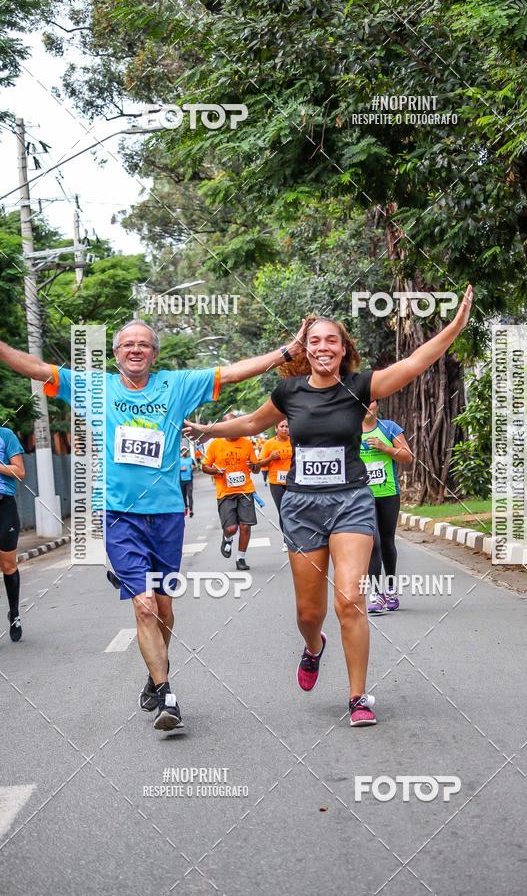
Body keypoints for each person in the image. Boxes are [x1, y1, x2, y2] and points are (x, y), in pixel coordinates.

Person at [185, 285, 474, 727]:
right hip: (301, 505)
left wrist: (453, 327)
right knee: (308, 612)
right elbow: (249, 422)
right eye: (315, 340)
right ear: (305, 348)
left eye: (332, 340)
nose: (323, 347)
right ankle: (314, 646)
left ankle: (358, 697)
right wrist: (207, 428)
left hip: (352, 501)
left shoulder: (361, 386)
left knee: (350, 599)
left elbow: (414, 364)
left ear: (344, 350)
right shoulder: (289, 392)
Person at [0, 319, 305, 731]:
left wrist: (287, 351)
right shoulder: (95, 388)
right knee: (143, 604)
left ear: (154, 354)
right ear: (115, 353)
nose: (136, 350)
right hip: (119, 514)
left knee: (163, 607)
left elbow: (233, 371)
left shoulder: (176, 385)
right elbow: (36, 368)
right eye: (128, 344)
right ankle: (166, 695)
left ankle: (154, 670)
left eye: (144, 345)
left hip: (166, 515)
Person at [360, 401, 413, 613]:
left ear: (377, 405)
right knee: (373, 541)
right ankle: (376, 593)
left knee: (388, 542)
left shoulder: (389, 427)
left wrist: (385, 447)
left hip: (388, 493)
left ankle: (390, 589)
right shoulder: (349, 430)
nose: (366, 406)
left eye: (370, 402)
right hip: (362, 495)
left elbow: (408, 457)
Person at [201, 414, 259, 571]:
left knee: (246, 526)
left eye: (237, 426)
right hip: (225, 492)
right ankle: (227, 538)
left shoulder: (247, 443)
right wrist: (215, 470)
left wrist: (253, 466)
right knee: (231, 528)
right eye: (230, 427)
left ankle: (241, 558)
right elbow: (204, 466)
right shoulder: (215, 444)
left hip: (245, 490)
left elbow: (256, 467)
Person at [0, 427, 26, 642]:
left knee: (8, 565)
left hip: (4, 507)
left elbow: (20, 472)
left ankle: (15, 614)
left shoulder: (6, 435)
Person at [255, 418, 292, 547]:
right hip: (276, 483)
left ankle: (296, 537)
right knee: (283, 511)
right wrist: (271, 457)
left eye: (287, 426)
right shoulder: (269, 444)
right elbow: (258, 463)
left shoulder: (294, 441)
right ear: (276, 429)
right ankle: (287, 540)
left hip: (293, 482)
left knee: (295, 510)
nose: (284, 429)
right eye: (281, 426)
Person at [179, 445, 195, 517]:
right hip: (181, 480)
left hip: (189, 480)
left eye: (185, 450)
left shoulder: (190, 459)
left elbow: (195, 466)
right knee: (183, 496)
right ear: (181, 452)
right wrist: (180, 469)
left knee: (190, 495)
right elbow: (175, 469)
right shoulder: (178, 460)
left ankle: (191, 510)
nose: (184, 451)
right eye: (183, 450)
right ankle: (185, 508)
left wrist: (193, 467)